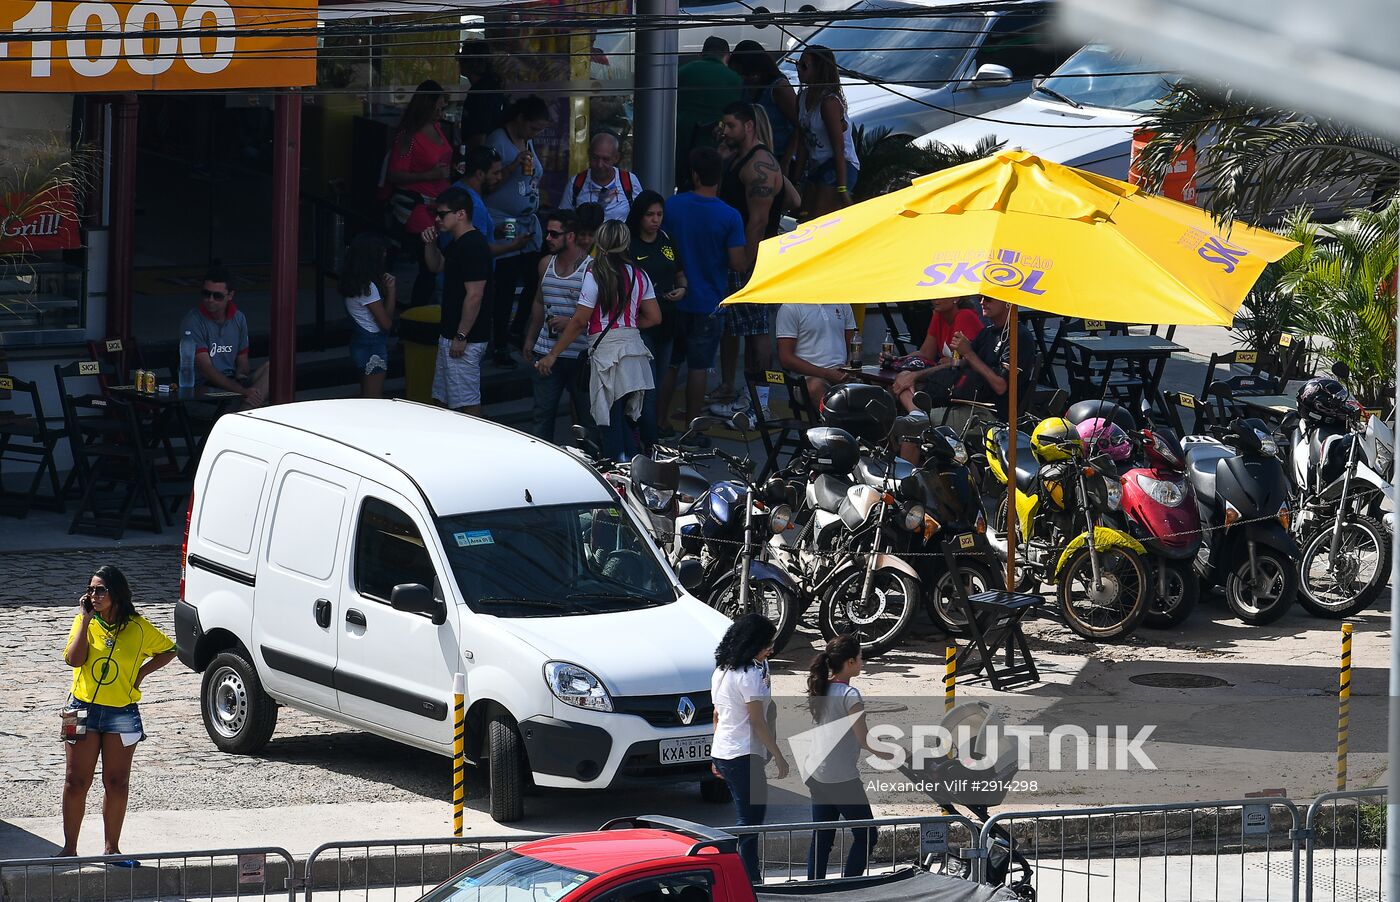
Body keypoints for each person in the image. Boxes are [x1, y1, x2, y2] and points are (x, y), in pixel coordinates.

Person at [58, 565, 176, 861]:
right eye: (90, 590)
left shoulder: (138, 628)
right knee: (75, 781)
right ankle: (69, 848)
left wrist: (141, 674)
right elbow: (74, 660)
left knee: (116, 782)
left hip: (121, 712)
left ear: (117, 594)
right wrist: (86, 623)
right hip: (79, 709)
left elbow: (170, 649)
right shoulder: (82, 621)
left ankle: (112, 849)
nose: (93, 595)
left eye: (100, 590)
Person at [536, 221, 660, 462]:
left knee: (609, 423)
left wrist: (552, 354)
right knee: (625, 421)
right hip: (635, 352)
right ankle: (635, 473)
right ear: (625, 242)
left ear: (600, 242)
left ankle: (619, 477)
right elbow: (655, 317)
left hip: (607, 355)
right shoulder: (639, 274)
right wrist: (626, 325)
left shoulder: (595, 273)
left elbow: (580, 320)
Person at [664, 148, 747, 427]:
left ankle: (659, 424)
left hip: (672, 299)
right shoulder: (730, 215)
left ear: (694, 175)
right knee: (699, 367)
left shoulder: (672, 206)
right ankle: (691, 427)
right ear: (718, 177)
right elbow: (737, 263)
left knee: (670, 364)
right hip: (708, 301)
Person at [713, 101, 786, 418]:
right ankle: (731, 388)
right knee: (731, 327)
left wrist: (745, 260)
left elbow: (757, 220)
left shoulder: (760, 165)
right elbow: (793, 198)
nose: (725, 131)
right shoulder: (738, 157)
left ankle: (761, 402)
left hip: (752, 259)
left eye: (730, 126)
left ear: (749, 126)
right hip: (736, 255)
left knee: (757, 331)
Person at [803, 635, 893, 879]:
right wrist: (896, 753)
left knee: (822, 837)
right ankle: (849, 883)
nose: (863, 662)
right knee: (867, 835)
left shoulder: (821, 687)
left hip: (815, 772)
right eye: (861, 658)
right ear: (850, 662)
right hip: (841, 778)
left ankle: (815, 889)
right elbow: (864, 739)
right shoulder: (850, 694)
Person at [710, 613, 788, 883]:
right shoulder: (748, 676)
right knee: (750, 819)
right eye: (767, 644)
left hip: (726, 751)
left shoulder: (722, 670)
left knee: (750, 817)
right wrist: (778, 755)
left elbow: (716, 714)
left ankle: (747, 874)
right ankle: (748, 878)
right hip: (743, 753)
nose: (771, 649)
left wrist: (715, 753)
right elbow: (757, 720)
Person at [484, 95, 551, 369]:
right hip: (505, 220)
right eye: (533, 128)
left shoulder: (527, 140)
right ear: (520, 119)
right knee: (506, 282)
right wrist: (513, 167)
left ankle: (517, 328)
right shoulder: (497, 141)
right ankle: (499, 341)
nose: (535, 134)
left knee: (536, 279)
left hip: (528, 219)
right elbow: (488, 184)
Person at [522, 210, 595, 443]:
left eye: (554, 234)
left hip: (581, 355)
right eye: (548, 233)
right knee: (542, 413)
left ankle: (593, 465)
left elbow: (600, 315)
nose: (548, 238)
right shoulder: (545, 264)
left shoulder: (591, 268)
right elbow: (539, 301)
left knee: (588, 417)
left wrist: (571, 322)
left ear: (570, 236)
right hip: (546, 351)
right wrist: (530, 339)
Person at [626, 190, 687, 447]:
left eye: (659, 214)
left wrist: (682, 289)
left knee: (658, 384)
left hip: (668, 322)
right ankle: (648, 443)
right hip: (641, 325)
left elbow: (680, 274)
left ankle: (647, 437)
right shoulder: (630, 244)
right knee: (648, 389)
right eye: (650, 214)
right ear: (639, 216)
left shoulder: (666, 239)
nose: (655, 219)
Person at [423, 187, 492, 414]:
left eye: (442, 214)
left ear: (460, 214)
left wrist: (461, 335)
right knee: (442, 398)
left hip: (465, 339)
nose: (437, 219)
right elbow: (436, 266)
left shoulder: (474, 245)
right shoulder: (457, 243)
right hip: (451, 334)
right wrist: (430, 244)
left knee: (466, 402)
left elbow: (475, 295)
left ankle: (474, 444)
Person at [384, 80, 453, 308]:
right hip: (418, 208)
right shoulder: (409, 136)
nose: (441, 112)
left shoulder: (437, 128)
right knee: (428, 265)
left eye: (443, 108)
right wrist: (430, 175)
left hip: (439, 206)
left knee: (434, 264)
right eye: (438, 108)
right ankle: (415, 315)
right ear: (427, 105)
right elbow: (394, 174)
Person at [926, 296, 1037, 429]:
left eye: (988, 299)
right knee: (913, 414)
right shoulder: (987, 332)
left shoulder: (1018, 336)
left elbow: (1001, 386)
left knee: (918, 424)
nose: (982, 302)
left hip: (993, 415)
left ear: (1008, 302)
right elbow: (966, 363)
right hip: (969, 402)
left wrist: (968, 353)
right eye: (980, 297)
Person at [179, 266, 269, 409]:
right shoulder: (193, 321)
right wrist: (243, 391)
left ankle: (245, 410)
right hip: (205, 385)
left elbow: (243, 361)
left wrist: (241, 375)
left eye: (217, 296)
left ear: (230, 296)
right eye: (206, 293)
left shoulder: (239, 318)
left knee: (271, 368)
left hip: (232, 381)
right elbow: (206, 369)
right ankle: (246, 412)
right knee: (257, 402)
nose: (210, 299)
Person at [794, 46, 859, 218]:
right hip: (818, 165)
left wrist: (842, 187)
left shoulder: (828, 102)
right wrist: (796, 177)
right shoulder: (801, 98)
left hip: (839, 165)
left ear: (819, 69)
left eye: (804, 66)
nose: (799, 69)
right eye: (798, 64)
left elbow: (839, 148)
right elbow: (802, 141)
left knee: (818, 220)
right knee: (804, 214)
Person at [890, 296, 986, 412]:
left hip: (964, 382)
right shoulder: (938, 315)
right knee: (902, 377)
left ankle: (918, 416)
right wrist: (897, 360)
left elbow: (961, 362)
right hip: (945, 377)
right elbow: (926, 353)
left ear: (956, 298)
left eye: (942, 295)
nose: (935, 299)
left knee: (905, 381)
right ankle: (917, 415)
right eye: (935, 295)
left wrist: (915, 375)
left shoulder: (965, 315)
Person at [676, 37, 744, 188]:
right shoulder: (735, 79)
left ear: (702, 53)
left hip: (682, 142)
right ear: (727, 56)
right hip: (715, 145)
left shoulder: (682, 72)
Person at [340, 234, 396, 399]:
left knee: (366, 398)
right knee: (373, 401)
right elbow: (386, 323)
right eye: (382, 254)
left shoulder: (353, 283)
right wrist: (392, 291)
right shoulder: (368, 288)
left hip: (360, 342)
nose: (385, 257)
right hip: (373, 345)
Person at [450, 145, 530, 262]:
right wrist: (514, 246)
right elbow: (478, 250)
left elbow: (469, 237)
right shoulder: (473, 204)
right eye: (496, 173)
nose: (500, 177)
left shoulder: (457, 189)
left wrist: (494, 232)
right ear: (480, 174)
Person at [728, 40, 799, 170]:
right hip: (752, 154)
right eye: (741, 74)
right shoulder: (746, 85)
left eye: (748, 74)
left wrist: (786, 161)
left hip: (778, 155)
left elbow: (799, 126)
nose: (745, 78)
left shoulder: (779, 88)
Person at [775, 302, 855, 409]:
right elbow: (786, 358)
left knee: (880, 385)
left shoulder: (842, 303)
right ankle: (841, 424)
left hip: (843, 373)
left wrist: (850, 367)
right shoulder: (790, 307)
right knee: (815, 387)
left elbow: (855, 345)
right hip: (807, 378)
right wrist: (826, 373)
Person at [562, 132, 643, 222]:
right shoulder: (576, 183)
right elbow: (563, 221)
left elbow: (642, 217)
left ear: (616, 158)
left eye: (606, 159)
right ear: (589, 154)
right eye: (595, 158)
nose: (600, 165)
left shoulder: (629, 181)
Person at [457, 39, 504, 149]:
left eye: (462, 58)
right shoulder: (491, 87)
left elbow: (479, 137)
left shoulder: (480, 93)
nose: (459, 62)